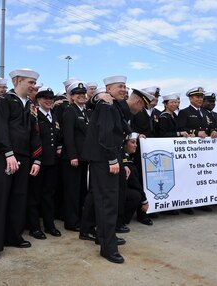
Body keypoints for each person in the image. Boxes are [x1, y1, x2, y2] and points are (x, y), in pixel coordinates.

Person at [82, 75, 154, 264]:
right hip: (105, 159)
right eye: (120, 86)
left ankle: (104, 237)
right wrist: (114, 160)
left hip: (104, 159)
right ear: (109, 88)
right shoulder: (107, 105)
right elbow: (106, 134)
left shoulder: (113, 105)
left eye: (125, 86)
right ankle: (108, 247)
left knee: (104, 202)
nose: (123, 89)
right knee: (108, 203)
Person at [0, 68, 42, 262]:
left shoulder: (30, 106)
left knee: (19, 198)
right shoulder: (5, 101)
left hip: (25, 158)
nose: (33, 86)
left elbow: (34, 133)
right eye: (30, 82)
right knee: (1, 200)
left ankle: (13, 236)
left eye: (34, 83)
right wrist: (8, 153)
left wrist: (37, 159)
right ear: (17, 80)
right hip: (6, 156)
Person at [27, 87, 62, 239]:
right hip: (39, 161)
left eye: (51, 99)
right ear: (39, 100)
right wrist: (37, 158)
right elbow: (33, 138)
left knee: (49, 195)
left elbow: (57, 136)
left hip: (52, 162)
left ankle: (49, 225)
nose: (49, 101)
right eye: (45, 99)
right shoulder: (34, 115)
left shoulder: (53, 116)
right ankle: (34, 227)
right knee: (34, 196)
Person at [177, 87, 217, 213]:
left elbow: (210, 126)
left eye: (201, 97)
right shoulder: (184, 112)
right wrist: (195, 132)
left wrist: (213, 131)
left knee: (201, 178)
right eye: (197, 97)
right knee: (189, 177)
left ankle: (201, 201)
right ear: (190, 98)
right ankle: (186, 204)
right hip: (190, 151)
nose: (200, 99)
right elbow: (181, 128)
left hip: (203, 151)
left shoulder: (205, 113)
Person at [61, 81, 90, 231]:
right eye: (78, 94)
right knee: (72, 191)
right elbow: (68, 136)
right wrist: (73, 156)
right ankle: (71, 222)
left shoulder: (84, 112)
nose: (81, 96)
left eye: (83, 94)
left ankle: (78, 218)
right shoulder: (70, 111)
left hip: (83, 157)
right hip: (72, 158)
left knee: (80, 191)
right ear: (71, 97)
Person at [122, 132, 151, 226]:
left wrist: (138, 135)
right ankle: (120, 221)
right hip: (116, 191)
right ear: (125, 144)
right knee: (136, 195)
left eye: (136, 142)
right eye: (132, 142)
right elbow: (133, 181)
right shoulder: (124, 158)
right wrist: (144, 200)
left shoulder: (129, 156)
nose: (135, 145)